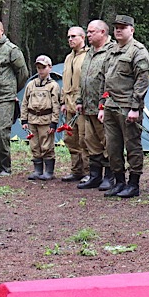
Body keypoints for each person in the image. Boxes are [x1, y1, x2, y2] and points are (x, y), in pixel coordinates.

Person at [100, 15, 149, 198]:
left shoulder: (138, 51)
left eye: (123, 27)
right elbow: (105, 78)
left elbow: (142, 81)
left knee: (132, 145)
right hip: (111, 105)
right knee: (112, 147)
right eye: (116, 27)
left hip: (128, 106)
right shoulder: (111, 50)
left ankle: (134, 183)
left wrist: (135, 107)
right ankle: (119, 181)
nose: (119, 30)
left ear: (132, 30)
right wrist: (102, 104)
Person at [0, 20, 29, 176]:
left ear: (2, 31)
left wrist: (12, 90)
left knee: (2, 131)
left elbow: (23, 73)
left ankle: (6, 167)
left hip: (5, 97)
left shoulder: (11, 50)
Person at [76, 20, 115, 190]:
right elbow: (83, 79)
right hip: (87, 106)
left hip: (103, 107)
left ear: (102, 33)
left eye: (92, 32)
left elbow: (110, 80)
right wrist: (79, 100)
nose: (88, 35)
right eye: (88, 32)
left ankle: (111, 176)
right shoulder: (90, 53)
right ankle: (95, 175)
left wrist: (104, 104)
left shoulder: (111, 51)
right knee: (91, 142)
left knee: (108, 142)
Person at [21, 56, 61, 180]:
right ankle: (37, 170)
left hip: (46, 119)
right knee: (34, 145)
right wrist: (24, 119)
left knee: (47, 145)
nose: (41, 70)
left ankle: (49, 171)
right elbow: (24, 102)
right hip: (32, 119)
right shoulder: (31, 84)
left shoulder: (53, 85)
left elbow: (56, 105)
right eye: (38, 68)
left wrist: (54, 122)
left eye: (43, 67)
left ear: (50, 68)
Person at [60, 26, 89, 182]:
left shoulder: (88, 56)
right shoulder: (68, 58)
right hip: (69, 103)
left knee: (85, 138)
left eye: (73, 36)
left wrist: (83, 100)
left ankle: (89, 171)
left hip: (82, 103)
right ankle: (76, 170)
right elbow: (65, 82)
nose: (70, 39)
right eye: (68, 37)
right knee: (71, 138)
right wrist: (63, 102)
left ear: (82, 37)